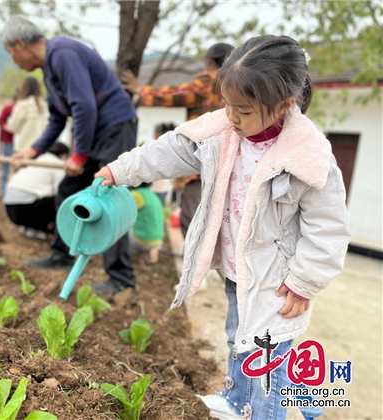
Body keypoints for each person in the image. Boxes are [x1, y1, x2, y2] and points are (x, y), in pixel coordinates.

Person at [96, 35, 349, 420]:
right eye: (227, 105)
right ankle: (236, 401)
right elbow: (168, 151)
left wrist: (306, 280)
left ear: (284, 105)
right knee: (238, 337)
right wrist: (122, 170)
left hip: (278, 280)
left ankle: (264, 413)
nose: (232, 116)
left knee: (267, 357)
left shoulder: (308, 155)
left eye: (244, 110)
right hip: (238, 267)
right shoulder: (221, 131)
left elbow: (328, 226)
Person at [3, 15, 138, 295]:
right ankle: (63, 254)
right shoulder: (49, 70)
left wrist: (78, 156)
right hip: (94, 134)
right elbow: (56, 119)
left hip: (114, 127)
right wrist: (33, 150)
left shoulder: (63, 53)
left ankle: (121, 277)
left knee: (110, 195)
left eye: (10, 53)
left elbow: (85, 107)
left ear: (20, 45)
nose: (13, 61)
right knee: (69, 189)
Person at [122, 43, 235, 238]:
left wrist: (142, 91)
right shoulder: (237, 84)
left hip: (202, 164)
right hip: (227, 162)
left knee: (194, 224)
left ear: (209, 62)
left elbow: (179, 94)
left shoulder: (212, 81)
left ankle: (202, 267)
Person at [4, 142, 69, 238]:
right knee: (63, 200)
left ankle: (31, 226)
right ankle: (42, 228)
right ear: (64, 155)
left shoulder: (37, 159)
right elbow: (62, 189)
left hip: (9, 206)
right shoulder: (58, 164)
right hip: (26, 208)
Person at [6, 77, 49, 153]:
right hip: (42, 148)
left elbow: (12, 126)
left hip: (24, 148)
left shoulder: (22, 105)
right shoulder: (45, 105)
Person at [129, 182, 164, 264]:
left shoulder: (136, 195)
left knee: (123, 228)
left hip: (142, 239)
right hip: (158, 239)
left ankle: (140, 250)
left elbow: (124, 213)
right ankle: (150, 251)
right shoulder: (152, 195)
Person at [150, 123, 176, 205]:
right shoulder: (170, 149)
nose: (154, 136)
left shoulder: (159, 149)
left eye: (155, 134)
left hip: (155, 188)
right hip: (163, 188)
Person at [0, 100, 15, 197]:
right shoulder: (8, 108)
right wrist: (9, 128)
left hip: (19, 142)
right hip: (8, 141)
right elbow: (1, 121)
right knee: (6, 166)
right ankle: (3, 191)